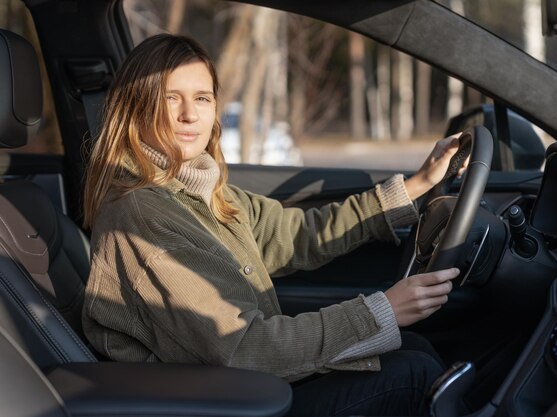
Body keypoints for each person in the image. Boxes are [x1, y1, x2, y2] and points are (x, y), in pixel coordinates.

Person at [82, 33, 464, 416]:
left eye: (202, 98)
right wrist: (380, 311)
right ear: (135, 107)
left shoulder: (203, 189)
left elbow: (297, 236)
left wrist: (419, 184)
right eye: (170, 97)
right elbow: (242, 347)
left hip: (250, 384)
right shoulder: (142, 217)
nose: (189, 114)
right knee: (414, 374)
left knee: (412, 348)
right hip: (219, 402)